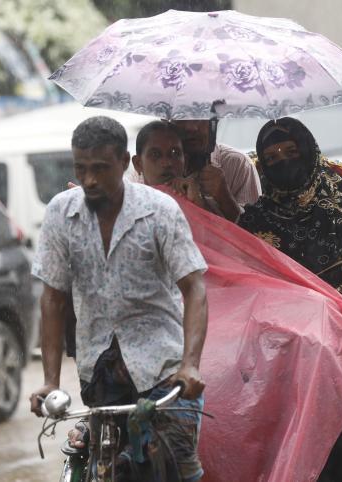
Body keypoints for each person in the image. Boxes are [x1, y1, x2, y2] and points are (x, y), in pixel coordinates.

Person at [29, 116, 209, 482]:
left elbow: (194, 288)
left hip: (164, 371)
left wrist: (190, 364)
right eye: (82, 169)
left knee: (176, 464)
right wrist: (50, 381)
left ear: (125, 163)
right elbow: (53, 299)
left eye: (100, 168)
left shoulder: (160, 211)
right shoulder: (61, 215)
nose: (90, 179)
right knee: (106, 470)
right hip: (100, 372)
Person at [237, 117, 342, 482]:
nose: (283, 161)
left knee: (332, 421)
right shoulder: (255, 220)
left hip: (335, 338)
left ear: (308, 151)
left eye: (291, 152)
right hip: (275, 342)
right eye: (272, 157)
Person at [173, 120, 262, 221]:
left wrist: (224, 197)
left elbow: (254, 232)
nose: (191, 127)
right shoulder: (161, 167)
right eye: (181, 119)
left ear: (214, 122)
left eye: (200, 117)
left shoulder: (239, 164)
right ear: (169, 122)